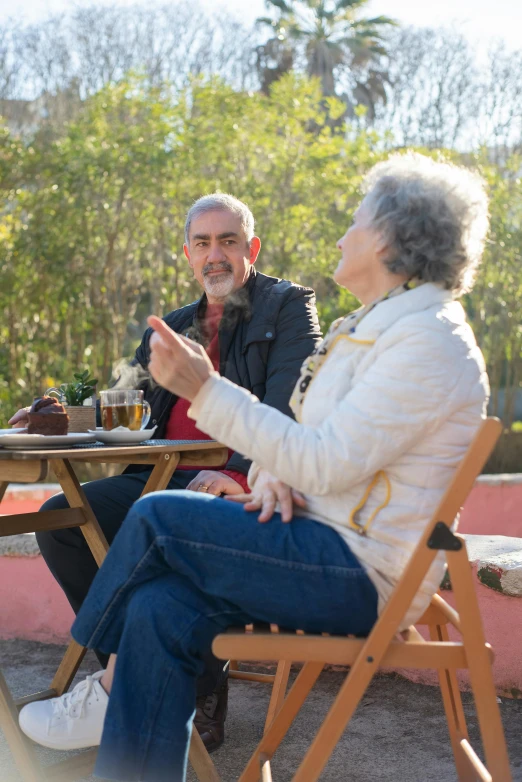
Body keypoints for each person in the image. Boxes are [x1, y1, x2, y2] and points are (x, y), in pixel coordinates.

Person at [20, 153, 490, 782]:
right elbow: (320, 443)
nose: (342, 234)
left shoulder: (425, 341)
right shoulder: (378, 329)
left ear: (389, 238)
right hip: (315, 538)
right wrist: (271, 484)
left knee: (159, 515)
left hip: (359, 572)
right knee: (159, 607)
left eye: (354, 221)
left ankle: (104, 688)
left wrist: (207, 391)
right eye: (201, 242)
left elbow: (319, 458)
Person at [10, 193, 322, 751]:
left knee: (178, 529)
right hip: (158, 476)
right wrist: (54, 411)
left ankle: (191, 697)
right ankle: (137, 685)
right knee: (60, 520)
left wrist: (244, 475)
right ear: (187, 254)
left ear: (251, 247)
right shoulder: (175, 326)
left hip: (235, 480)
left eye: (228, 241)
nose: (215, 255)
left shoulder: (287, 306)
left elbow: (295, 404)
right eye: (202, 243)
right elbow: (121, 401)